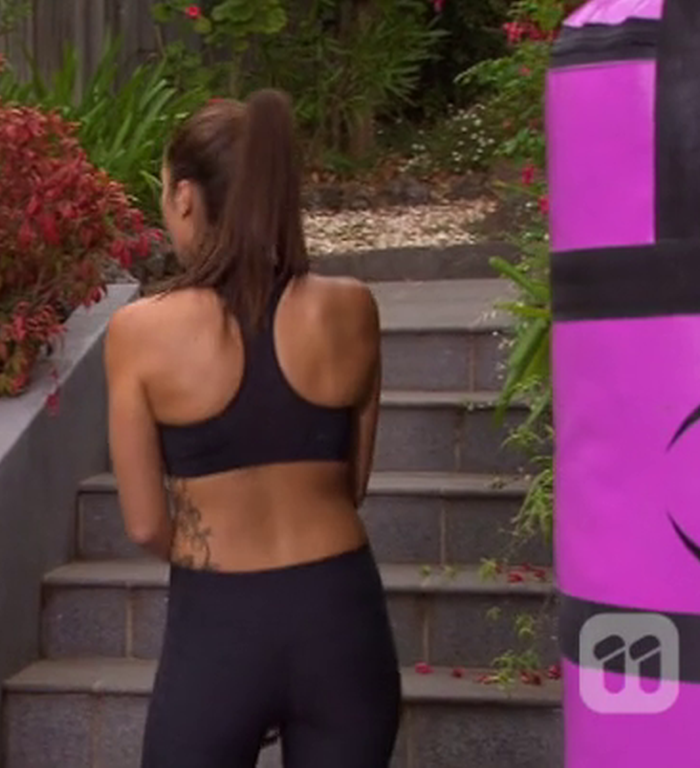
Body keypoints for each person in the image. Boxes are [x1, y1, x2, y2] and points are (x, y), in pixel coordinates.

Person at [102, 88, 400, 768]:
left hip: (220, 623)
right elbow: (352, 485)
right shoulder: (353, 307)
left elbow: (145, 525)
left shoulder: (140, 332)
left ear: (184, 198)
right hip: (341, 615)